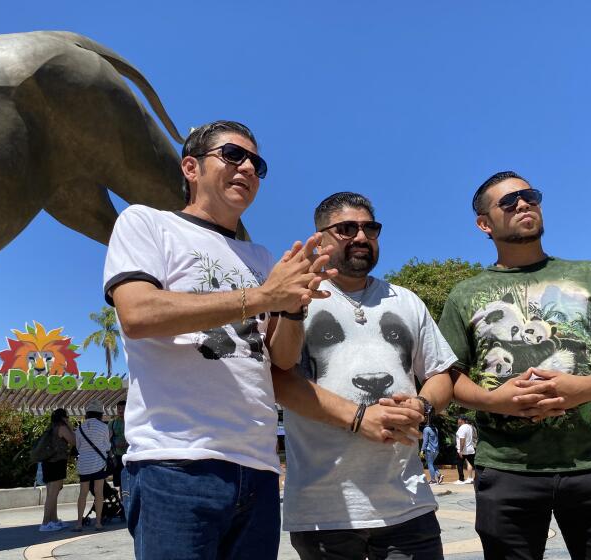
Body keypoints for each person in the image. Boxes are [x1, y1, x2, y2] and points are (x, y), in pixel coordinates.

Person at [104, 122, 424, 559]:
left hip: (256, 469)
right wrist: (263, 296)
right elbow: (138, 314)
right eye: (233, 155)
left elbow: (280, 359)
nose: (248, 167)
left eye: (257, 162)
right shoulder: (147, 223)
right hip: (176, 461)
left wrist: (292, 307)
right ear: (190, 167)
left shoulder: (259, 257)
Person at [281, 192, 564, 560]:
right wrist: (358, 418)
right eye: (347, 228)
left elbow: (441, 374)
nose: (362, 237)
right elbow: (279, 375)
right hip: (324, 512)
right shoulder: (295, 297)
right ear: (320, 237)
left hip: (408, 504)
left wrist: (423, 406)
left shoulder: (405, 300)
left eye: (371, 228)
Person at [438, 170, 591, 559]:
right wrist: (497, 401)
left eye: (530, 195)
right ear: (484, 224)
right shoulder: (463, 294)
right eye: (508, 201)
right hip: (506, 469)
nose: (523, 203)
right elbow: (449, 376)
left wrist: (583, 389)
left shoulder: (589, 275)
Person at [73, 400, 111, 532]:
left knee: (83, 493)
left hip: (84, 464)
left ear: (87, 413)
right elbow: (107, 446)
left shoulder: (80, 428)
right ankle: (98, 523)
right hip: (98, 463)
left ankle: (78, 523)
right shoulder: (104, 427)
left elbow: (78, 447)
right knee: (98, 493)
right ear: (100, 413)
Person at [40, 408, 75, 532]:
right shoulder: (62, 427)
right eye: (67, 417)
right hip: (57, 463)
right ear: (63, 418)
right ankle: (45, 522)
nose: (68, 419)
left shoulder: (51, 427)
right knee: (53, 494)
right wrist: (70, 427)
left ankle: (53, 520)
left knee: (52, 493)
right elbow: (74, 441)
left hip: (48, 462)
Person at [108, 400, 127, 490]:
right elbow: (108, 439)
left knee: (131, 481)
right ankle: (122, 503)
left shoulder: (132, 422)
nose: (120, 410)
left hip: (130, 457)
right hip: (117, 457)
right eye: (119, 408)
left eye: (123, 408)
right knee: (121, 484)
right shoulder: (112, 423)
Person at [421, 414, 443, 485]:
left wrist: (422, 450)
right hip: (436, 449)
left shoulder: (426, 429)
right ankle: (439, 475)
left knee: (430, 464)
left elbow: (425, 441)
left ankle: (433, 480)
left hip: (429, 449)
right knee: (432, 464)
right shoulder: (435, 429)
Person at [453, 415, 476, 485]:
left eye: (458, 419)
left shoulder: (462, 428)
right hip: (470, 449)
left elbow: (462, 439)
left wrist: (460, 450)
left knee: (459, 464)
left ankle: (461, 479)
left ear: (461, 420)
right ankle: (477, 478)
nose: (457, 421)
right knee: (473, 464)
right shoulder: (469, 427)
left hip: (463, 450)